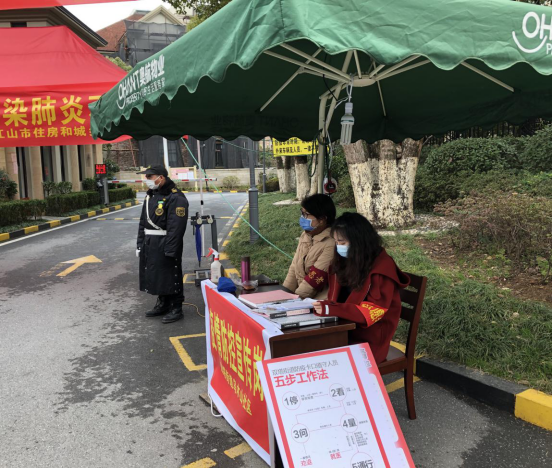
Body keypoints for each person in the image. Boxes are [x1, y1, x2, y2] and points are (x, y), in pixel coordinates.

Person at [313, 212, 410, 364]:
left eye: (342, 242)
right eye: (336, 242)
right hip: (343, 331)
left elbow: (372, 312)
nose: (338, 247)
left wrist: (331, 309)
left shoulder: (382, 268)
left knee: (318, 357)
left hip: (369, 340)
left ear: (358, 241)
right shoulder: (348, 260)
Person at [136, 165, 189, 324]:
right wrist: (140, 243)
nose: (147, 180)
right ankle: (163, 303)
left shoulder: (176, 197)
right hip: (150, 242)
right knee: (157, 274)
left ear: (161, 177)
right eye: (146, 177)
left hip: (166, 241)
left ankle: (176, 307)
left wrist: (171, 249)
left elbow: (176, 227)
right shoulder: (150, 196)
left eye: (150, 177)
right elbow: (143, 223)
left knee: (171, 274)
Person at [283, 194, 336, 299]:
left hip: (320, 300)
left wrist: (294, 301)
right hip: (300, 297)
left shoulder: (332, 243)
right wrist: (284, 294)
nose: (302, 218)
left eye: (306, 214)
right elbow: (294, 267)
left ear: (322, 219)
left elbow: (314, 280)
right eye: (302, 213)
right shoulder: (306, 235)